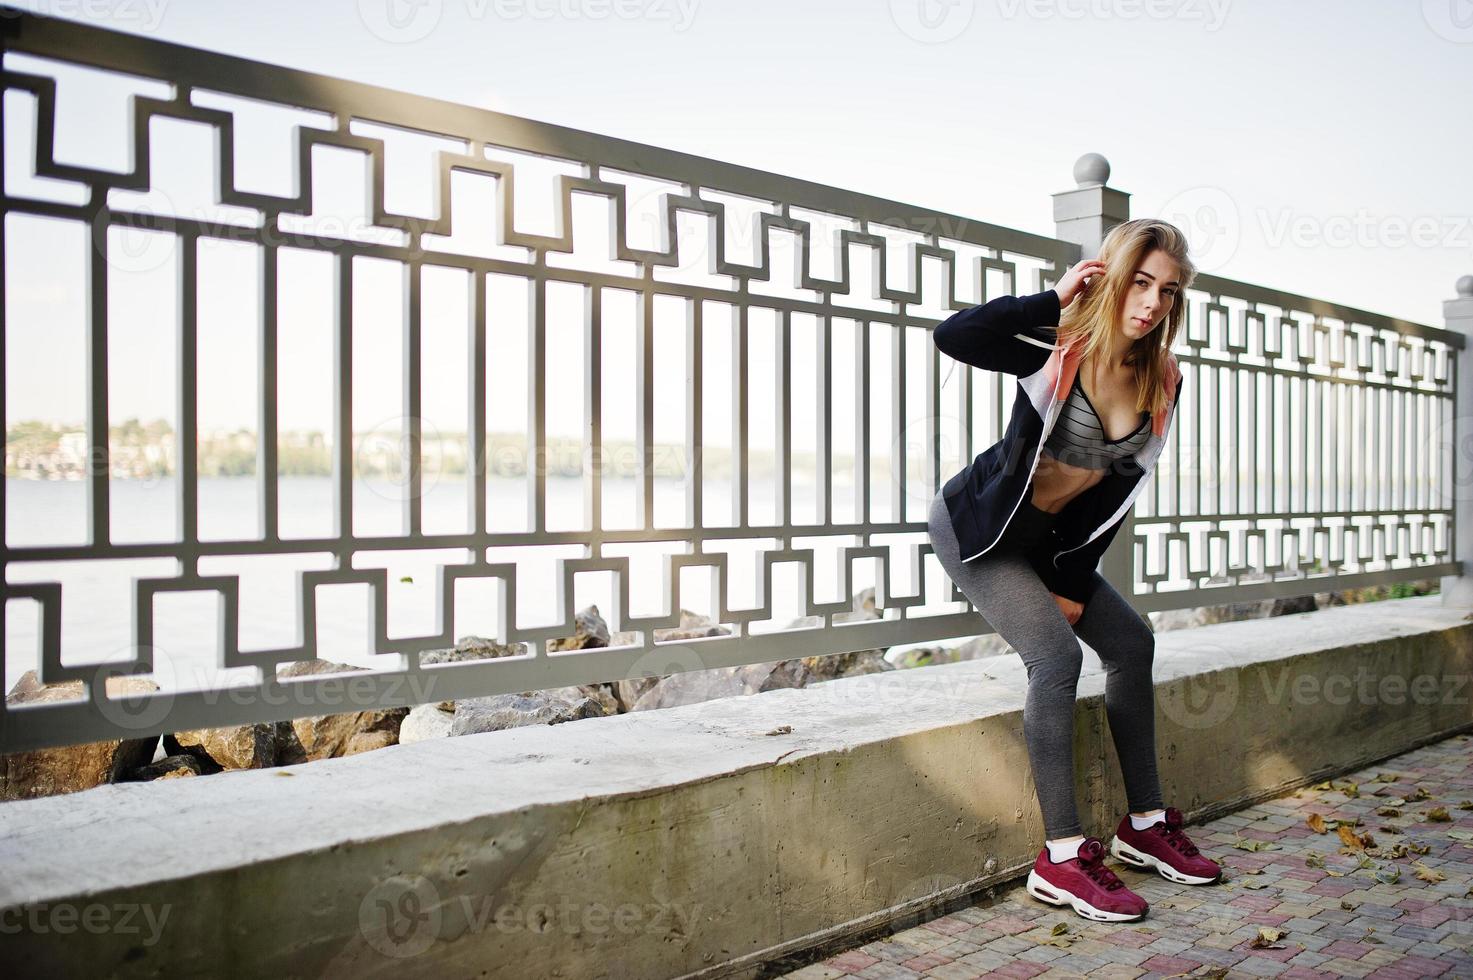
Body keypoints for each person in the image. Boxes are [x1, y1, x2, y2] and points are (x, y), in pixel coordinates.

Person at [926, 218, 1222, 923]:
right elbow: (954, 336)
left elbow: (1117, 496)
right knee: (1054, 659)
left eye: (1168, 292)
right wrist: (1053, 299)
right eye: (1141, 283)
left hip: (1053, 546)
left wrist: (1067, 578)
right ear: (1113, 277)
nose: (1151, 303)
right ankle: (1060, 857)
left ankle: (1143, 826)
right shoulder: (1055, 344)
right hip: (983, 530)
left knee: (1132, 643)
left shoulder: (1163, 378)